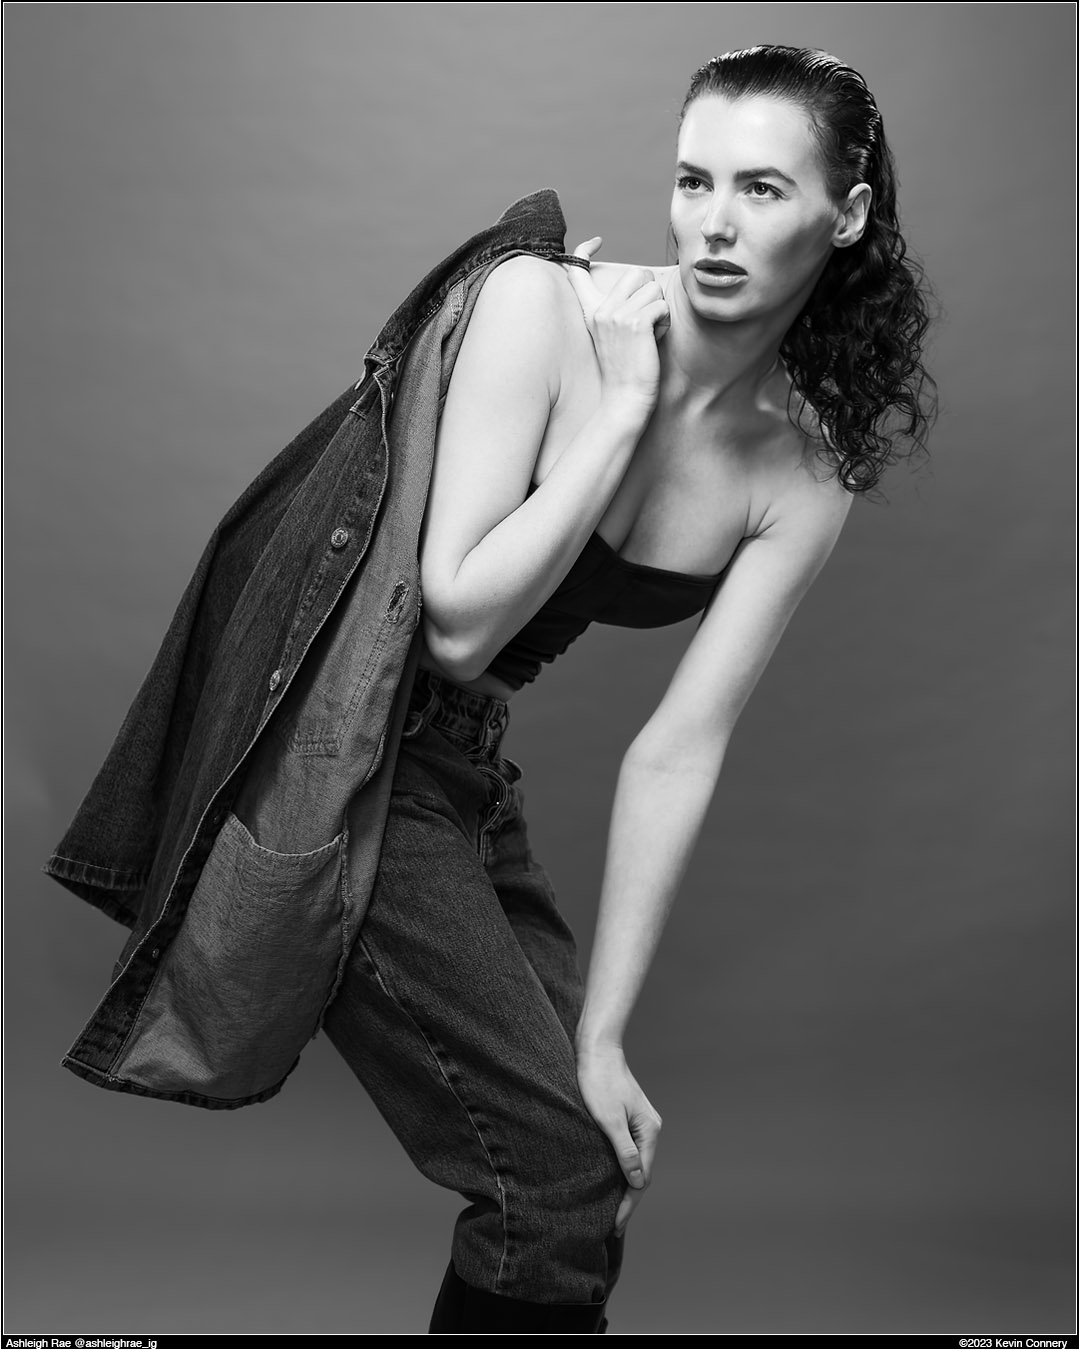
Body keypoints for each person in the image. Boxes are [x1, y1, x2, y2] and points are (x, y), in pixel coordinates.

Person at [315, 43, 936, 1334]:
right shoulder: (543, 308)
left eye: (762, 188)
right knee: (553, 1179)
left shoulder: (802, 470)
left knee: (590, 1173)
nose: (714, 223)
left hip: (462, 779)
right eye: (694, 180)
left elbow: (677, 749)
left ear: (848, 214)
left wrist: (602, 1036)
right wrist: (619, 416)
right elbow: (458, 624)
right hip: (350, 765)